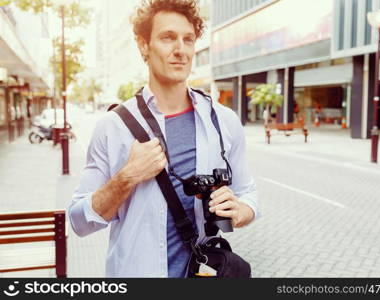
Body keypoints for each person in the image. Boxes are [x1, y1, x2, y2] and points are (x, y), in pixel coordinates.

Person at [68, 0, 258, 278]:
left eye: (188, 39)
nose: (180, 50)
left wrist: (241, 210)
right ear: (144, 45)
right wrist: (127, 177)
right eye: (168, 38)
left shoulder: (223, 121)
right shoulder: (112, 127)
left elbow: (248, 193)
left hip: (203, 274)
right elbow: (79, 221)